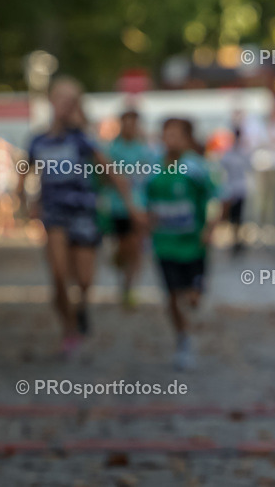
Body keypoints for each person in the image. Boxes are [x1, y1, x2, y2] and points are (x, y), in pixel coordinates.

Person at [17, 77, 143, 358]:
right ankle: (69, 329)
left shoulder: (83, 139)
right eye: (61, 98)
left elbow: (112, 172)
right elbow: (24, 172)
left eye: (71, 100)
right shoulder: (37, 140)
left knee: (84, 280)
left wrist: (131, 207)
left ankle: (81, 307)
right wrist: (25, 203)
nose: (65, 105)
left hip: (84, 212)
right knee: (59, 275)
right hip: (54, 213)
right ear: (51, 101)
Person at [145, 118, 222, 371]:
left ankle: (191, 314)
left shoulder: (196, 168)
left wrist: (210, 227)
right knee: (172, 296)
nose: (171, 140)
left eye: (176, 135)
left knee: (193, 298)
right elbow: (141, 198)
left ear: (187, 139)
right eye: (167, 134)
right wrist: (144, 218)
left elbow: (217, 196)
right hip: (164, 244)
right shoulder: (153, 167)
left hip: (193, 245)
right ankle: (183, 338)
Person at [100, 108, 157, 308]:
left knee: (137, 247)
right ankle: (122, 273)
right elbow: (104, 178)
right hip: (118, 207)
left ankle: (130, 286)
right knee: (124, 247)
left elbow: (151, 178)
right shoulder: (112, 150)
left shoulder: (145, 150)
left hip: (140, 207)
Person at [218, 127, 250, 256]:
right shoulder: (229, 153)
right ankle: (234, 239)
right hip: (232, 189)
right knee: (233, 216)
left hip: (240, 188)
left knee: (239, 216)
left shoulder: (243, 153)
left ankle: (238, 239)